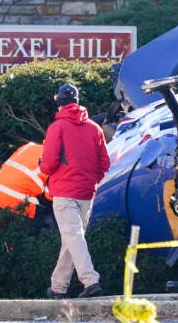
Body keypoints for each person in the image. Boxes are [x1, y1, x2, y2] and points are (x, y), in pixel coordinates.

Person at [40, 84, 111, 299]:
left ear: (59, 102)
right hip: (86, 193)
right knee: (72, 239)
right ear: (78, 101)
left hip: (64, 190)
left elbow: (49, 163)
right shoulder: (94, 128)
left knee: (73, 237)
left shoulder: (57, 127)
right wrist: (92, 181)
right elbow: (104, 163)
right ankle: (58, 287)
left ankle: (91, 281)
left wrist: (42, 166)